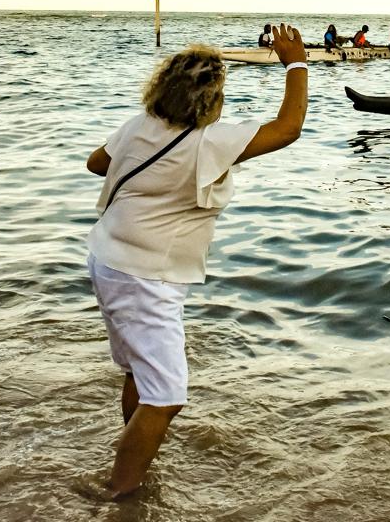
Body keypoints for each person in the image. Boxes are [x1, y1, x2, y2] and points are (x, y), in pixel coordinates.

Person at [84, 24, 309, 499]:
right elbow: (288, 129)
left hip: (108, 259)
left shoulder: (138, 126)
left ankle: (135, 447)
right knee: (167, 396)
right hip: (147, 279)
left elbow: (95, 164)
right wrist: (297, 62)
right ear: (212, 97)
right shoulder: (210, 143)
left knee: (139, 374)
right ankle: (121, 493)